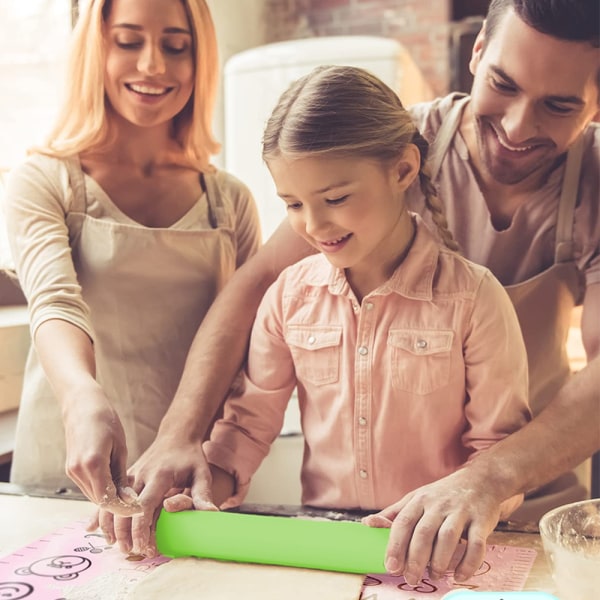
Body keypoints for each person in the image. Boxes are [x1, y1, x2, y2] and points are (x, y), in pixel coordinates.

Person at [73, 0, 600, 585]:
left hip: (520, 515)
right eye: (503, 83)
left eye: (559, 105)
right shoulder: (386, 145)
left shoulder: (485, 286)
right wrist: (181, 440)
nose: (519, 127)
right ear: (476, 52)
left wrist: (488, 480)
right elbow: (256, 290)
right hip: (342, 542)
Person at [198, 65, 531, 528]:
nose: (313, 226)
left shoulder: (475, 300)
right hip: (326, 542)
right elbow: (245, 429)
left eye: (335, 199)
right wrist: (197, 492)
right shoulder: (288, 298)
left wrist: (466, 505)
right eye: (293, 204)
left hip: (437, 544)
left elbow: (498, 452)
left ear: (402, 170)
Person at [2, 0, 260, 514]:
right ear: (95, 48)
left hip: (193, 477)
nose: (152, 65)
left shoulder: (229, 200)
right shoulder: (44, 181)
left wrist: (228, 459)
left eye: (175, 46)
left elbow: (254, 342)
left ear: (198, 58)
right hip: (67, 470)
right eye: (128, 41)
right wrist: (80, 398)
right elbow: (55, 304)